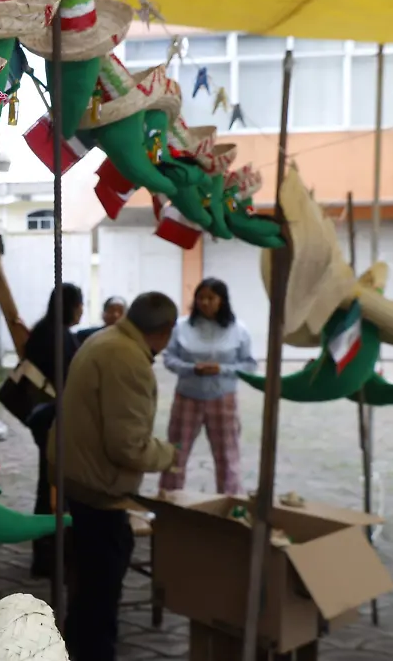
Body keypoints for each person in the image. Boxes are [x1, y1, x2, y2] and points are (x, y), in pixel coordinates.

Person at [49, 292, 180, 661]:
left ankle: (77, 644)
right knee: (101, 588)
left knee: (94, 578)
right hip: (97, 486)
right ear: (166, 331)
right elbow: (127, 446)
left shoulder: (106, 339)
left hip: (80, 474)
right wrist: (169, 455)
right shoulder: (127, 358)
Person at [160, 278, 256, 495]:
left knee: (227, 456)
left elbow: (249, 365)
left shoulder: (238, 329)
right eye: (201, 298)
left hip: (223, 398)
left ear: (222, 300)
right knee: (176, 453)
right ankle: (168, 500)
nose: (205, 302)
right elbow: (169, 359)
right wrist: (192, 368)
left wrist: (221, 369)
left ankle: (230, 503)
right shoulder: (181, 327)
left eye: (211, 298)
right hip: (187, 397)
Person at [24, 283, 83, 579]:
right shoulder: (61, 337)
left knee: (48, 484)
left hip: (40, 417)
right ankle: (52, 556)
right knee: (56, 487)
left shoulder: (41, 331)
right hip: (54, 420)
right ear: (71, 306)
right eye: (79, 304)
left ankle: (45, 555)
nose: (82, 310)